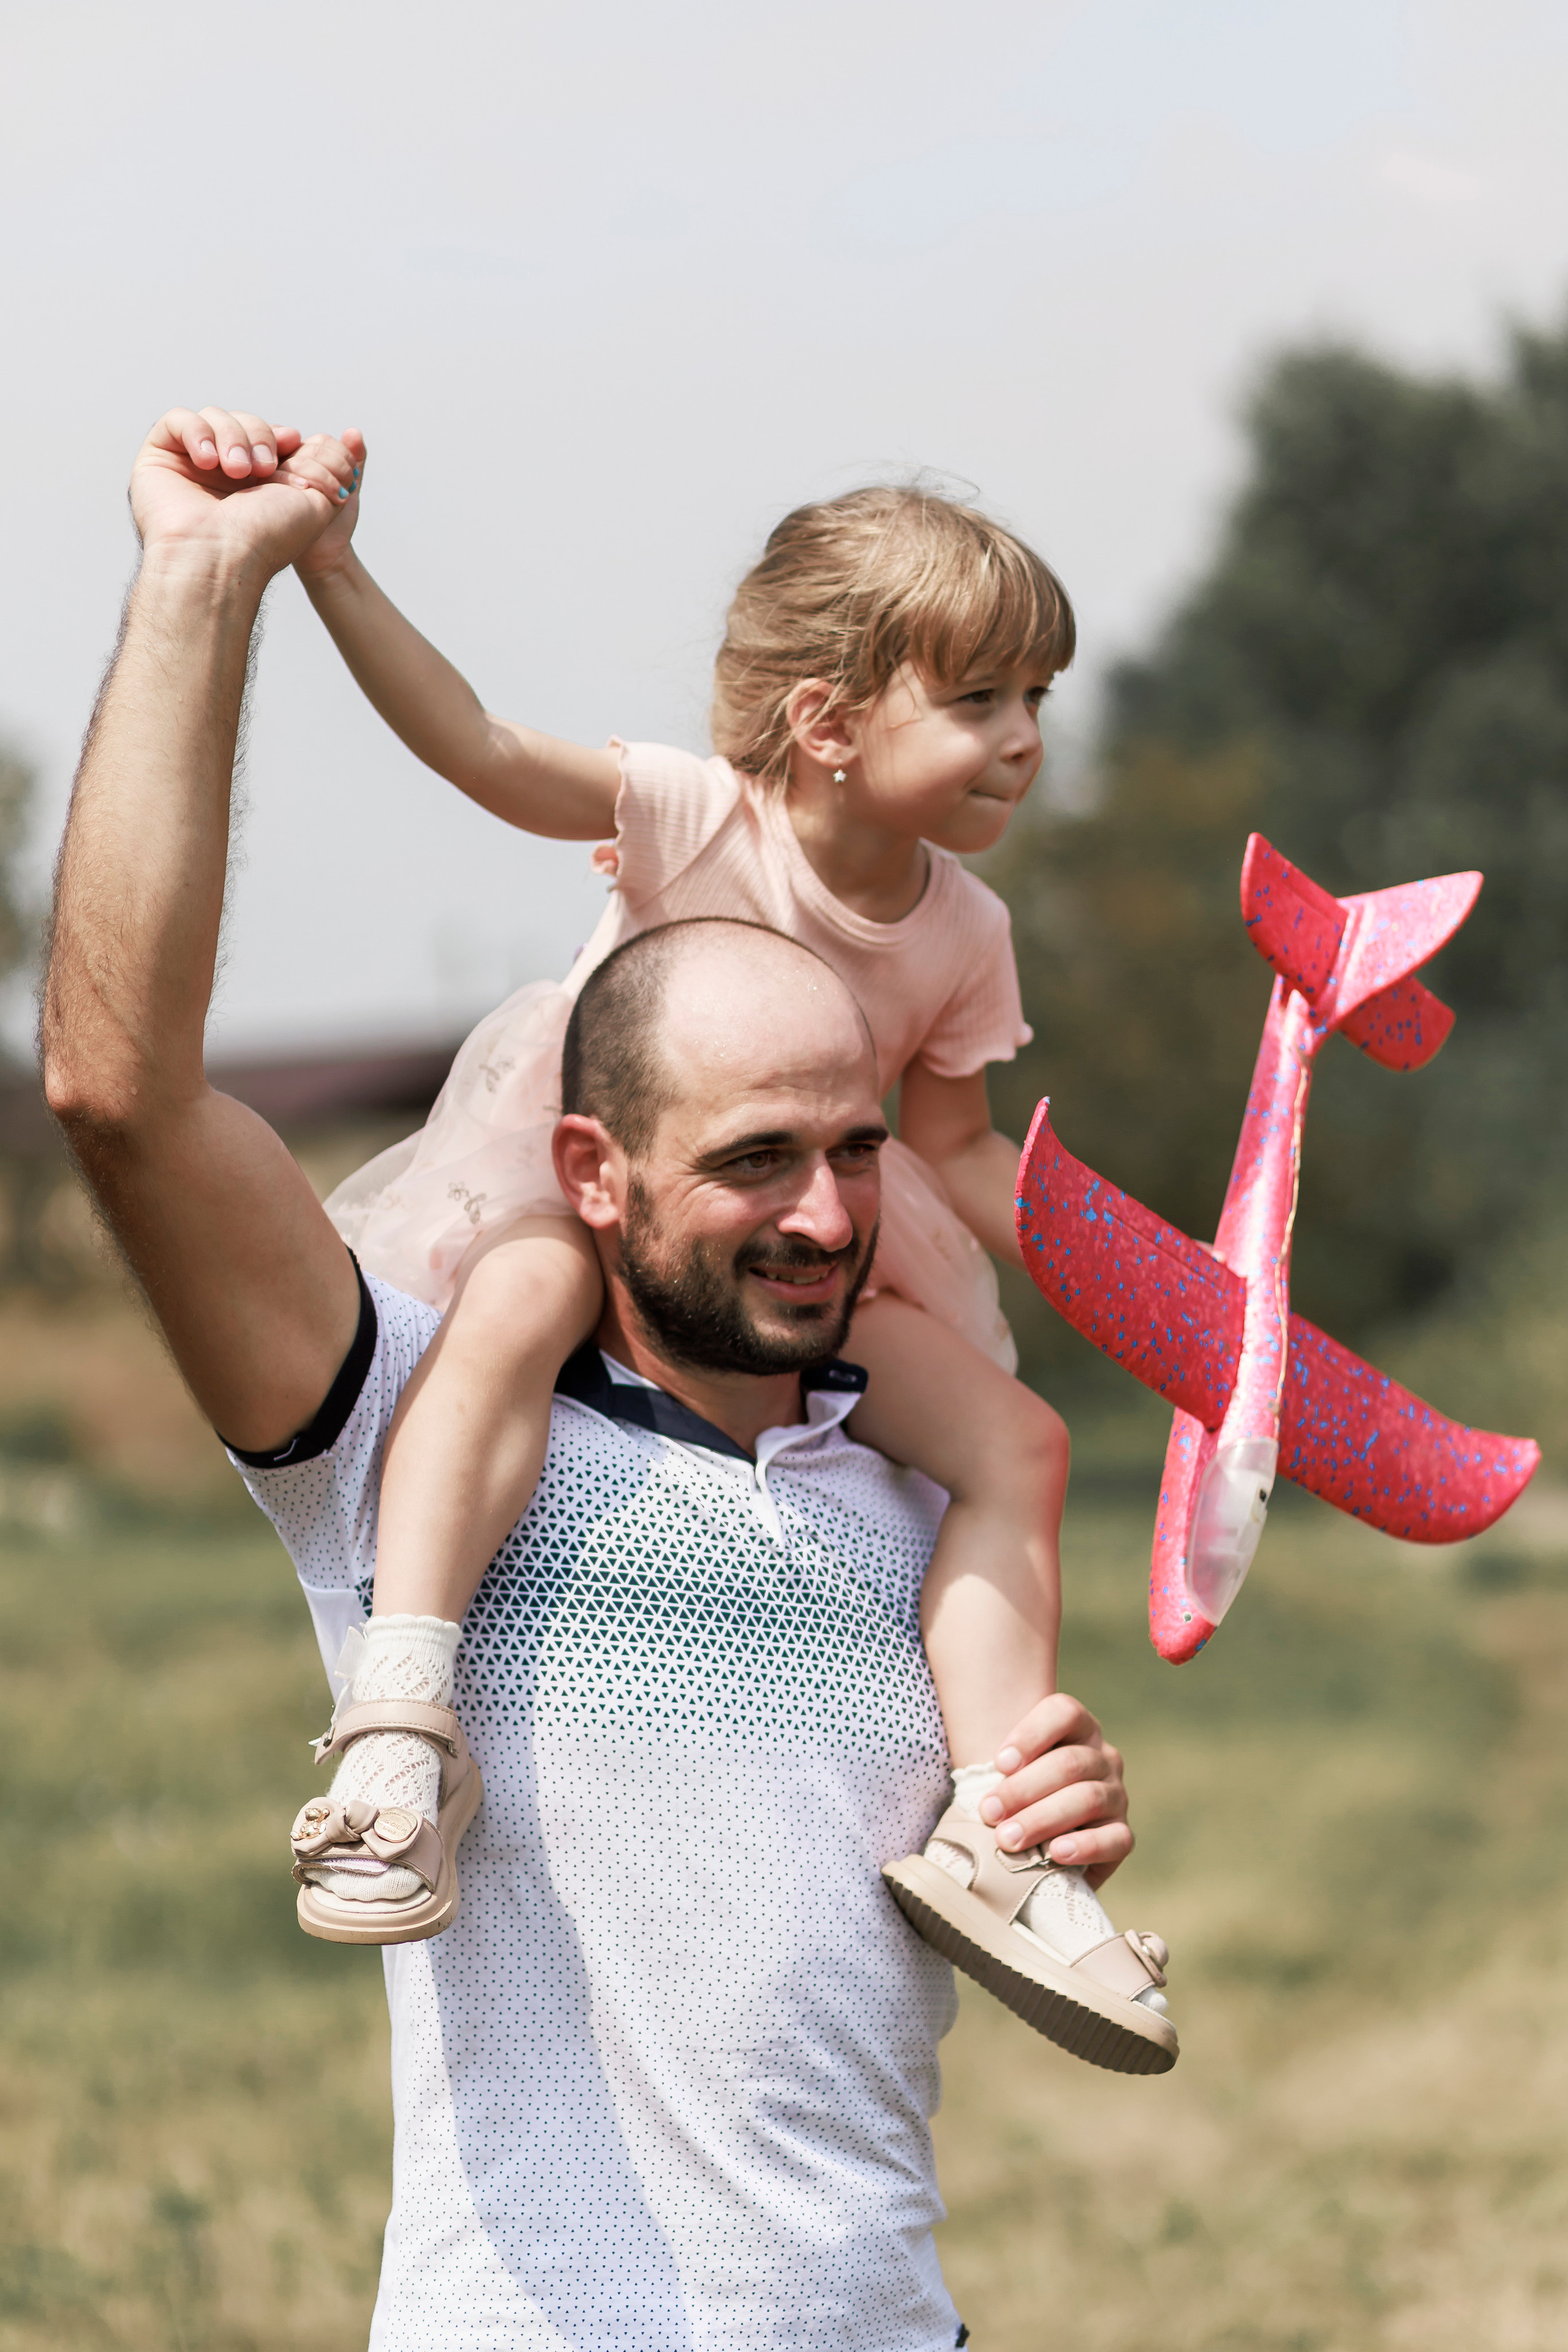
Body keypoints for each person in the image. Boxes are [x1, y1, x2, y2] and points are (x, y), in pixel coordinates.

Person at [45, 405, 1164, 2345]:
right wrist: (209, 584)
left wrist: (1035, 1792)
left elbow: (979, 1174)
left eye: (857, 1151)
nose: (828, 1220)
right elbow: (121, 1090)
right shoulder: (398, 1433)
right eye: (751, 1162)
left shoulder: (918, 1485)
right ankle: (397, 1729)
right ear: (595, 1168)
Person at [264, 428, 1174, 2064]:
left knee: (1019, 1444)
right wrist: (332, 567)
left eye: (1036, 699)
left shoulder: (967, 931)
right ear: (826, 724)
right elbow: (474, 745)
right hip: (588, 1195)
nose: (1027, 741)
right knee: (520, 1309)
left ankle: (992, 1825)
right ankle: (401, 1717)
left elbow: (954, 1156)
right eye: (982, 702)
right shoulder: (697, 817)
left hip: (811, 1245)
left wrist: (1141, 1298)